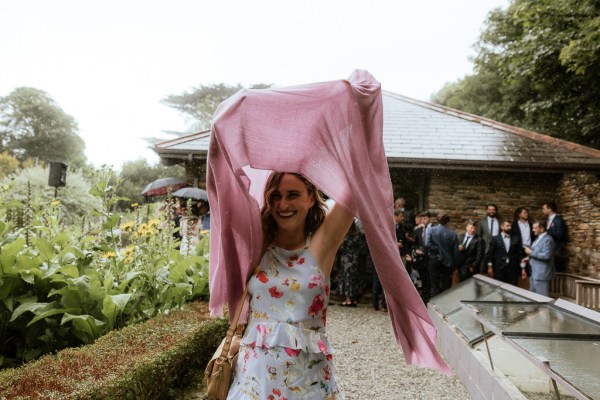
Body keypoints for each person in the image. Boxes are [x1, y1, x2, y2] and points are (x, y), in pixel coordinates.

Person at [227, 172, 353, 399]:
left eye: (293, 195)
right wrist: (220, 143)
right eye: (275, 196)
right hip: (255, 383)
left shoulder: (321, 245)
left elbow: (356, 185)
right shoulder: (258, 242)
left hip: (309, 384)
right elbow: (224, 195)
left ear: (311, 199)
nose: (282, 204)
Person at [425, 211, 459, 297]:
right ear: (448, 221)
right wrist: (455, 266)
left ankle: (433, 306)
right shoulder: (453, 234)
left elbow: (427, 244)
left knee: (434, 284)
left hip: (434, 260)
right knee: (446, 286)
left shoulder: (430, 230)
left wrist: (437, 250)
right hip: (448, 262)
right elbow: (456, 252)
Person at [338, 219, 367, 307]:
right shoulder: (358, 236)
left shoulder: (346, 236)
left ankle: (348, 299)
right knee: (354, 278)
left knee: (347, 278)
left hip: (346, 259)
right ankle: (353, 299)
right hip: (355, 259)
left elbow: (341, 247)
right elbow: (361, 246)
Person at [523, 220, 556, 297]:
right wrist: (528, 258)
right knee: (533, 298)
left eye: (535, 228)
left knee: (542, 299)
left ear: (541, 229)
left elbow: (546, 256)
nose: (533, 230)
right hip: (534, 274)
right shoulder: (538, 238)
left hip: (542, 275)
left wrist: (530, 252)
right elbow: (538, 252)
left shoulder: (548, 239)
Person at [486, 220, 521, 285]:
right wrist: (489, 267)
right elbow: (490, 253)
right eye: (507, 226)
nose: (510, 227)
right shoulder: (495, 239)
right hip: (499, 268)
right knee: (498, 287)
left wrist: (522, 267)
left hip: (512, 269)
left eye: (510, 226)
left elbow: (519, 254)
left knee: (512, 288)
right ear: (502, 227)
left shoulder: (516, 239)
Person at [542, 201, 568, 272]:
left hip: (556, 250)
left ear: (549, 209)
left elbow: (560, 235)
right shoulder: (547, 220)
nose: (543, 210)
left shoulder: (558, 220)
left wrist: (547, 232)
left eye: (544, 208)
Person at [511, 207, 534, 280]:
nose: (527, 214)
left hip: (530, 250)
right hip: (519, 250)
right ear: (519, 214)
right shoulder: (514, 225)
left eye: (527, 212)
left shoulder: (531, 225)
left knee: (531, 271)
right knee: (520, 271)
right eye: (524, 212)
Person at [477, 204, 500, 269]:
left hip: (497, 247)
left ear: (496, 211)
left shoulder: (500, 221)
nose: (491, 211)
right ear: (487, 210)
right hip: (485, 248)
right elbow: (479, 235)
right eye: (489, 209)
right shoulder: (481, 221)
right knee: (483, 267)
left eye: (493, 209)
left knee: (496, 267)